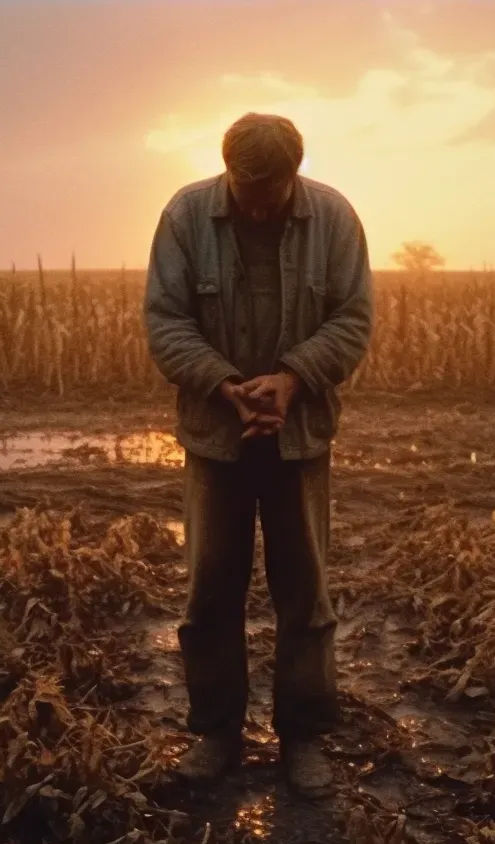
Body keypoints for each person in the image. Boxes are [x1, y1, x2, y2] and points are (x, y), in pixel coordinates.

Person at [143, 112, 373, 798]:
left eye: (272, 193)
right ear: (228, 174)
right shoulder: (185, 216)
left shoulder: (333, 219)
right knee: (211, 591)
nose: (260, 206)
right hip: (217, 439)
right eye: (248, 195)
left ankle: (302, 739)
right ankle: (217, 734)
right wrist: (226, 386)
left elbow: (353, 318)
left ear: (294, 174)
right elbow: (164, 321)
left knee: (304, 593)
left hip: (299, 438)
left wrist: (293, 379)